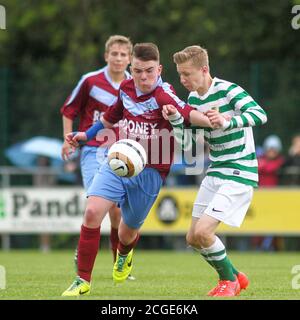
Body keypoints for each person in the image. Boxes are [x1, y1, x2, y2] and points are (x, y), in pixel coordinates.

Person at [61, 42, 214, 296]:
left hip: (151, 172)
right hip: (119, 160)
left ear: (160, 69)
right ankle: (82, 280)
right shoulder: (126, 87)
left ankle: (123, 253)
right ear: (131, 68)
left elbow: (187, 113)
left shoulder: (164, 94)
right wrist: (85, 136)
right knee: (92, 212)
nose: (143, 77)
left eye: (149, 71)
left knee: (127, 231)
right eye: (138, 70)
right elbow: (111, 116)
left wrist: (211, 119)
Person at [162, 45, 267, 296]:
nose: (183, 80)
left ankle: (227, 281)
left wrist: (228, 119)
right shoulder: (194, 100)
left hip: (239, 171)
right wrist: (177, 120)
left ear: (204, 69)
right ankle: (235, 276)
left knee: (203, 232)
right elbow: (189, 146)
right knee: (192, 238)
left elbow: (260, 115)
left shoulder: (229, 90)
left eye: (187, 74)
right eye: (180, 74)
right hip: (216, 170)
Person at [60, 35, 133, 276]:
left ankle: (118, 264)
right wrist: (68, 138)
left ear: (130, 58)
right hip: (93, 149)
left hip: (122, 150)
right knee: (99, 203)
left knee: (118, 211)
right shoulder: (90, 81)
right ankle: (83, 254)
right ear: (106, 56)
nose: (119, 58)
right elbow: (69, 110)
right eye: (115, 54)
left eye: (124, 54)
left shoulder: (135, 84)